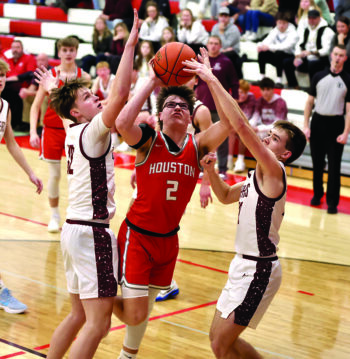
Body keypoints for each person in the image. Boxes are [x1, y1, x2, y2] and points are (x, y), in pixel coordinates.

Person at [112, 47, 231, 359]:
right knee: (135, 313)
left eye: (182, 105)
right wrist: (152, 80)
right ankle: (94, 291)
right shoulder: (150, 141)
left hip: (169, 240)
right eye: (170, 104)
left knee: (146, 309)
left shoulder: (199, 143)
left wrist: (210, 78)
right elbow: (123, 124)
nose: (177, 106)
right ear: (159, 115)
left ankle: (128, 355)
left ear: (190, 116)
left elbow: (231, 123)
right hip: (138, 235)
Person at [33, 10, 139, 359]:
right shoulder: (93, 131)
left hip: (73, 231)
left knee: (79, 314)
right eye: (89, 98)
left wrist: (55, 89)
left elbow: (67, 111)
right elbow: (121, 92)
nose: (96, 97)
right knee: (98, 324)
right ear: (78, 113)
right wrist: (131, 43)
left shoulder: (73, 129)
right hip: (91, 234)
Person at [191, 55, 306, 358]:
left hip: (260, 269)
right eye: (269, 133)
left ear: (286, 153)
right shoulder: (258, 176)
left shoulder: (275, 171)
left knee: (220, 344)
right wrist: (210, 171)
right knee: (217, 339)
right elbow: (226, 195)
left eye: (275, 138)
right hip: (242, 265)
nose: (267, 139)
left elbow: (239, 124)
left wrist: (211, 79)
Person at [29, 36, 91, 233]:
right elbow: (36, 105)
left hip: (75, 130)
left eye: (71, 49)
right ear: (59, 51)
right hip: (53, 131)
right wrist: (32, 131)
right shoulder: (50, 75)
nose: (68, 53)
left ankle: (77, 214)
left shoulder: (84, 76)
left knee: (79, 175)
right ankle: (54, 215)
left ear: (76, 51)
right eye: (65, 50)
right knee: (55, 175)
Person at [0, 59, 43, 313]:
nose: (1, 81)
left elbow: (12, 143)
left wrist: (30, 173)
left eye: (3, 77)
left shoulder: (5, 107)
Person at [304, 44, 350, 214]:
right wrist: (305, 125)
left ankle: (332, 202)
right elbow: (309, 102)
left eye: (341, 55)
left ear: (345, 58)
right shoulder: (318, 76)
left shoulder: (347, 80)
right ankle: (317, 194)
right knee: (317, 163)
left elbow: (349, 110)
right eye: (336, 54)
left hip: (336, 125)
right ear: (331, 55)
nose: (338, 58)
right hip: (318, 122)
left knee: (334, 166)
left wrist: (346, 132)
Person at [195, 35, 239, 179]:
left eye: (216, 43)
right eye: (211, 43)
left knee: (222, 139)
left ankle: (222, 170)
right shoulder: (200, 62)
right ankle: (201, 166)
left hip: (220, 107)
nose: (213, 46)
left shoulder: (226, 62)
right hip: (202, 107)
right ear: (207, 45)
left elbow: (234, 82)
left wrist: (236, 99)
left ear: (220, 46)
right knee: (203, 139)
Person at [283, 9, 334, 89]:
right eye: (309, 18)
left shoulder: (327, 31)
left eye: (314, 18)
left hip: (321, 60)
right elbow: (299, 44)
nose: (311, 20)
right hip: (307, 57)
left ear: (319, 18)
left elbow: (327, 50)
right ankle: (293, 85)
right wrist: (297, 55)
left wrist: (311, 52)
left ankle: (313, 89)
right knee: (287, 62)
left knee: (312, 64)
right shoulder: (307, 29)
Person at [256, 11, 299, 88]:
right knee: (262, 53)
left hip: (289, 55)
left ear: (288, 23)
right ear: (276, 22)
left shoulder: (293, 32)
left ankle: (279, 79)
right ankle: (261, 76)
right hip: (276, 54)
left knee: (279, 53)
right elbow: (266, 41)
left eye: (284, 23)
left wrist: (269, 47)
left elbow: (286, 46)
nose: (281, 26)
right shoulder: (275, 30)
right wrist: (260, 46)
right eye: (279, 23)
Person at [2, 40, 37, 131]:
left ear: (22, 49)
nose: (15, 50)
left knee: (14, 96)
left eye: (17, 47)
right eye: (13, 48)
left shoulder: (29, 58)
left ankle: (17, 124)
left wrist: (15, 78)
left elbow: (31, 74)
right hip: (8, 88)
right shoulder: (7, 60)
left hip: (23, 88)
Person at [228, 79, 257, 172]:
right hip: (232, 125)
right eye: (240, 92)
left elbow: (255, 115)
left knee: (242, 129)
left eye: (245, 92)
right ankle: (229, 159)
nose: (242, 95)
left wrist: (250, 124)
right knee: (230, 130)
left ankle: (240, 160)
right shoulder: (230, 97)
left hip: (247, 124)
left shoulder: (251, 98)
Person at [19, 53, 51, 128]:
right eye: (38, 60)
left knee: (44, 98)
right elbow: (32, 88)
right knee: (27, 97)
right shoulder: (37, 72)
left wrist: (27, 91)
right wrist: (25, 91)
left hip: (51, 96)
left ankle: (43, 125)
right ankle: (27, 123)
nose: (40, 62)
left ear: (47, 61)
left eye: (42, 60)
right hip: (41, 94)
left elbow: (47, 92)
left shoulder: (51, 71)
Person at [211, 6, 243, 79]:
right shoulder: (215, 27)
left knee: (226, 55)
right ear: (218, 17)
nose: (223, 18)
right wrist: (221, 50)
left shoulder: (234, 29)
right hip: (219, 51)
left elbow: (225, 45)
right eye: (221, 15)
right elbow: (211, 42)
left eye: (225, 16)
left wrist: (221, 32)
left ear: (229, 17)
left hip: (233, 53)